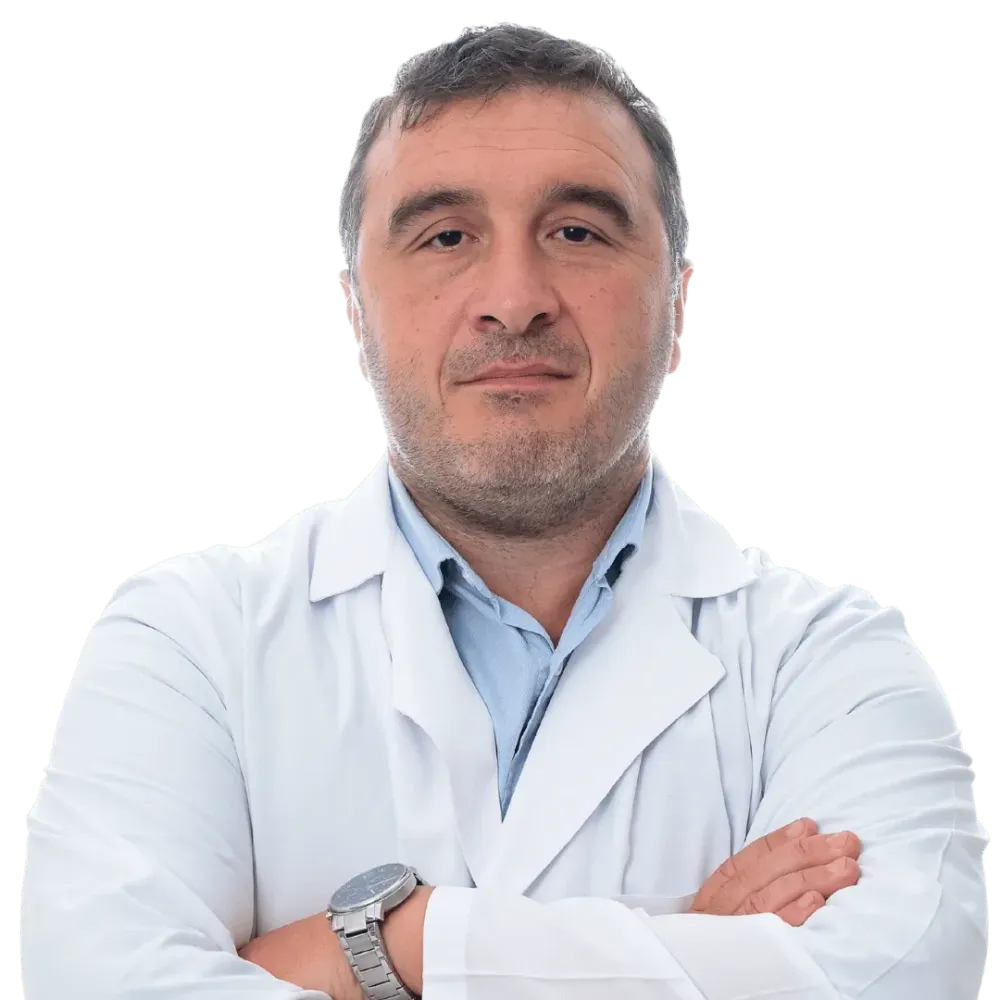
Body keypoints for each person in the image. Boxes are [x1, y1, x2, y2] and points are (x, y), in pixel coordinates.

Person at [19, 20, 989, 1000]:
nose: (514, 299)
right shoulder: (188, 644)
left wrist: (391, 944)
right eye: (446, 237)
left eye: (577, 233)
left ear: (678, 302)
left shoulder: (836, 665)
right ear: (355, 306)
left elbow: (901, 975)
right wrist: (696, 951)